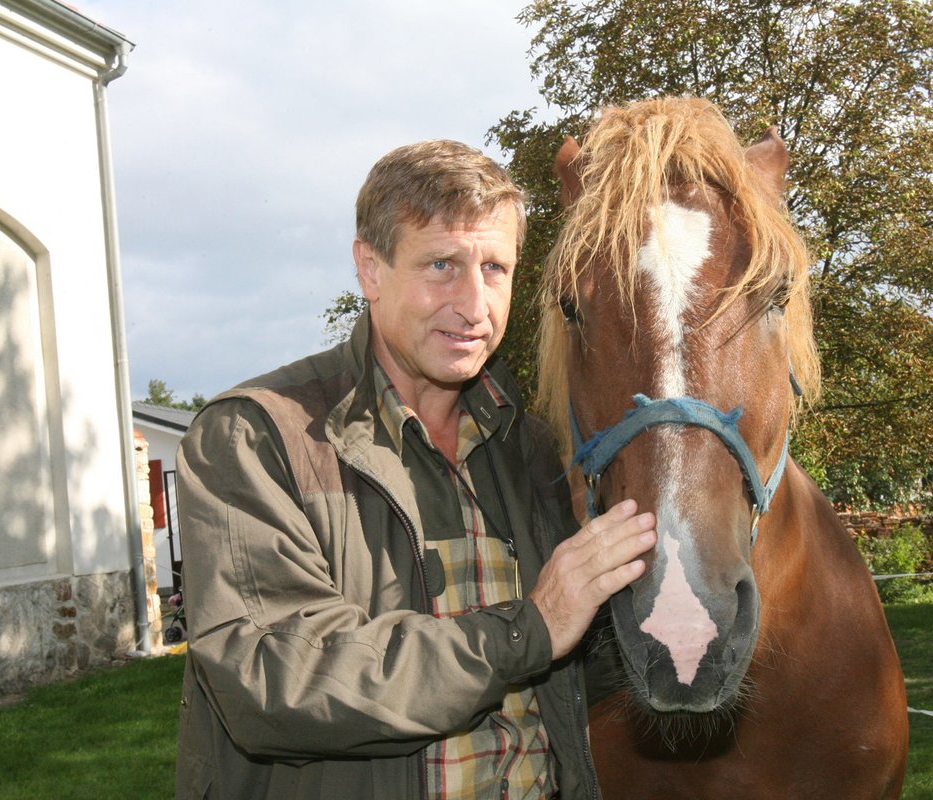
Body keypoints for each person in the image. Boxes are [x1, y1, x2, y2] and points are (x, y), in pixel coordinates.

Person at [173, 139, 658, 800]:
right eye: (441, 265)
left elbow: (567, 672)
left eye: (495, 268)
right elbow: (274, 681)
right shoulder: (255, 438)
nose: (474, 304)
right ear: (370, 271)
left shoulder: (528, 448)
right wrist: (530, 629)